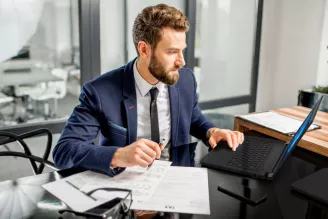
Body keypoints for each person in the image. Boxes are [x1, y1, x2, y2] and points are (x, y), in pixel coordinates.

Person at [53, 4, 244, 177]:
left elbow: (193, 118)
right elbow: (64, 151)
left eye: (182, 50)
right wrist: (118, 155)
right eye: (171, 52)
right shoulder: (100, 91)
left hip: (178, 179)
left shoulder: (185, 80)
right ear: (144, 50)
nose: (182, 61)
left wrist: (211, 131)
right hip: (126, 188)